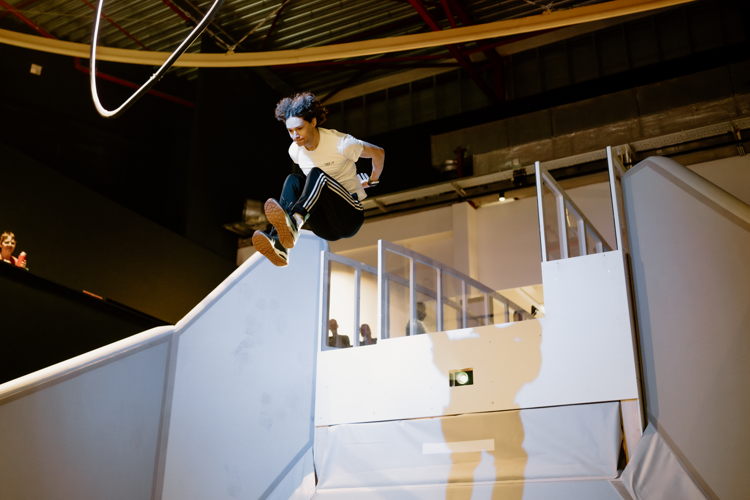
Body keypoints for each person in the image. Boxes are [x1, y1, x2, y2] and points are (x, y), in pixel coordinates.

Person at [252, 92, 385, 267]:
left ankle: (295, 222)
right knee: (293, 180)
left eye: (299, 128)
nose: (295, 135)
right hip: (323, 227)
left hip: (348, 217)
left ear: (313, 122)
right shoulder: (295, 151)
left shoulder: (342, 143)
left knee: (317, 174)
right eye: (290, 131)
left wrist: (372, 180)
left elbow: (379, 153)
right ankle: (280, 245)